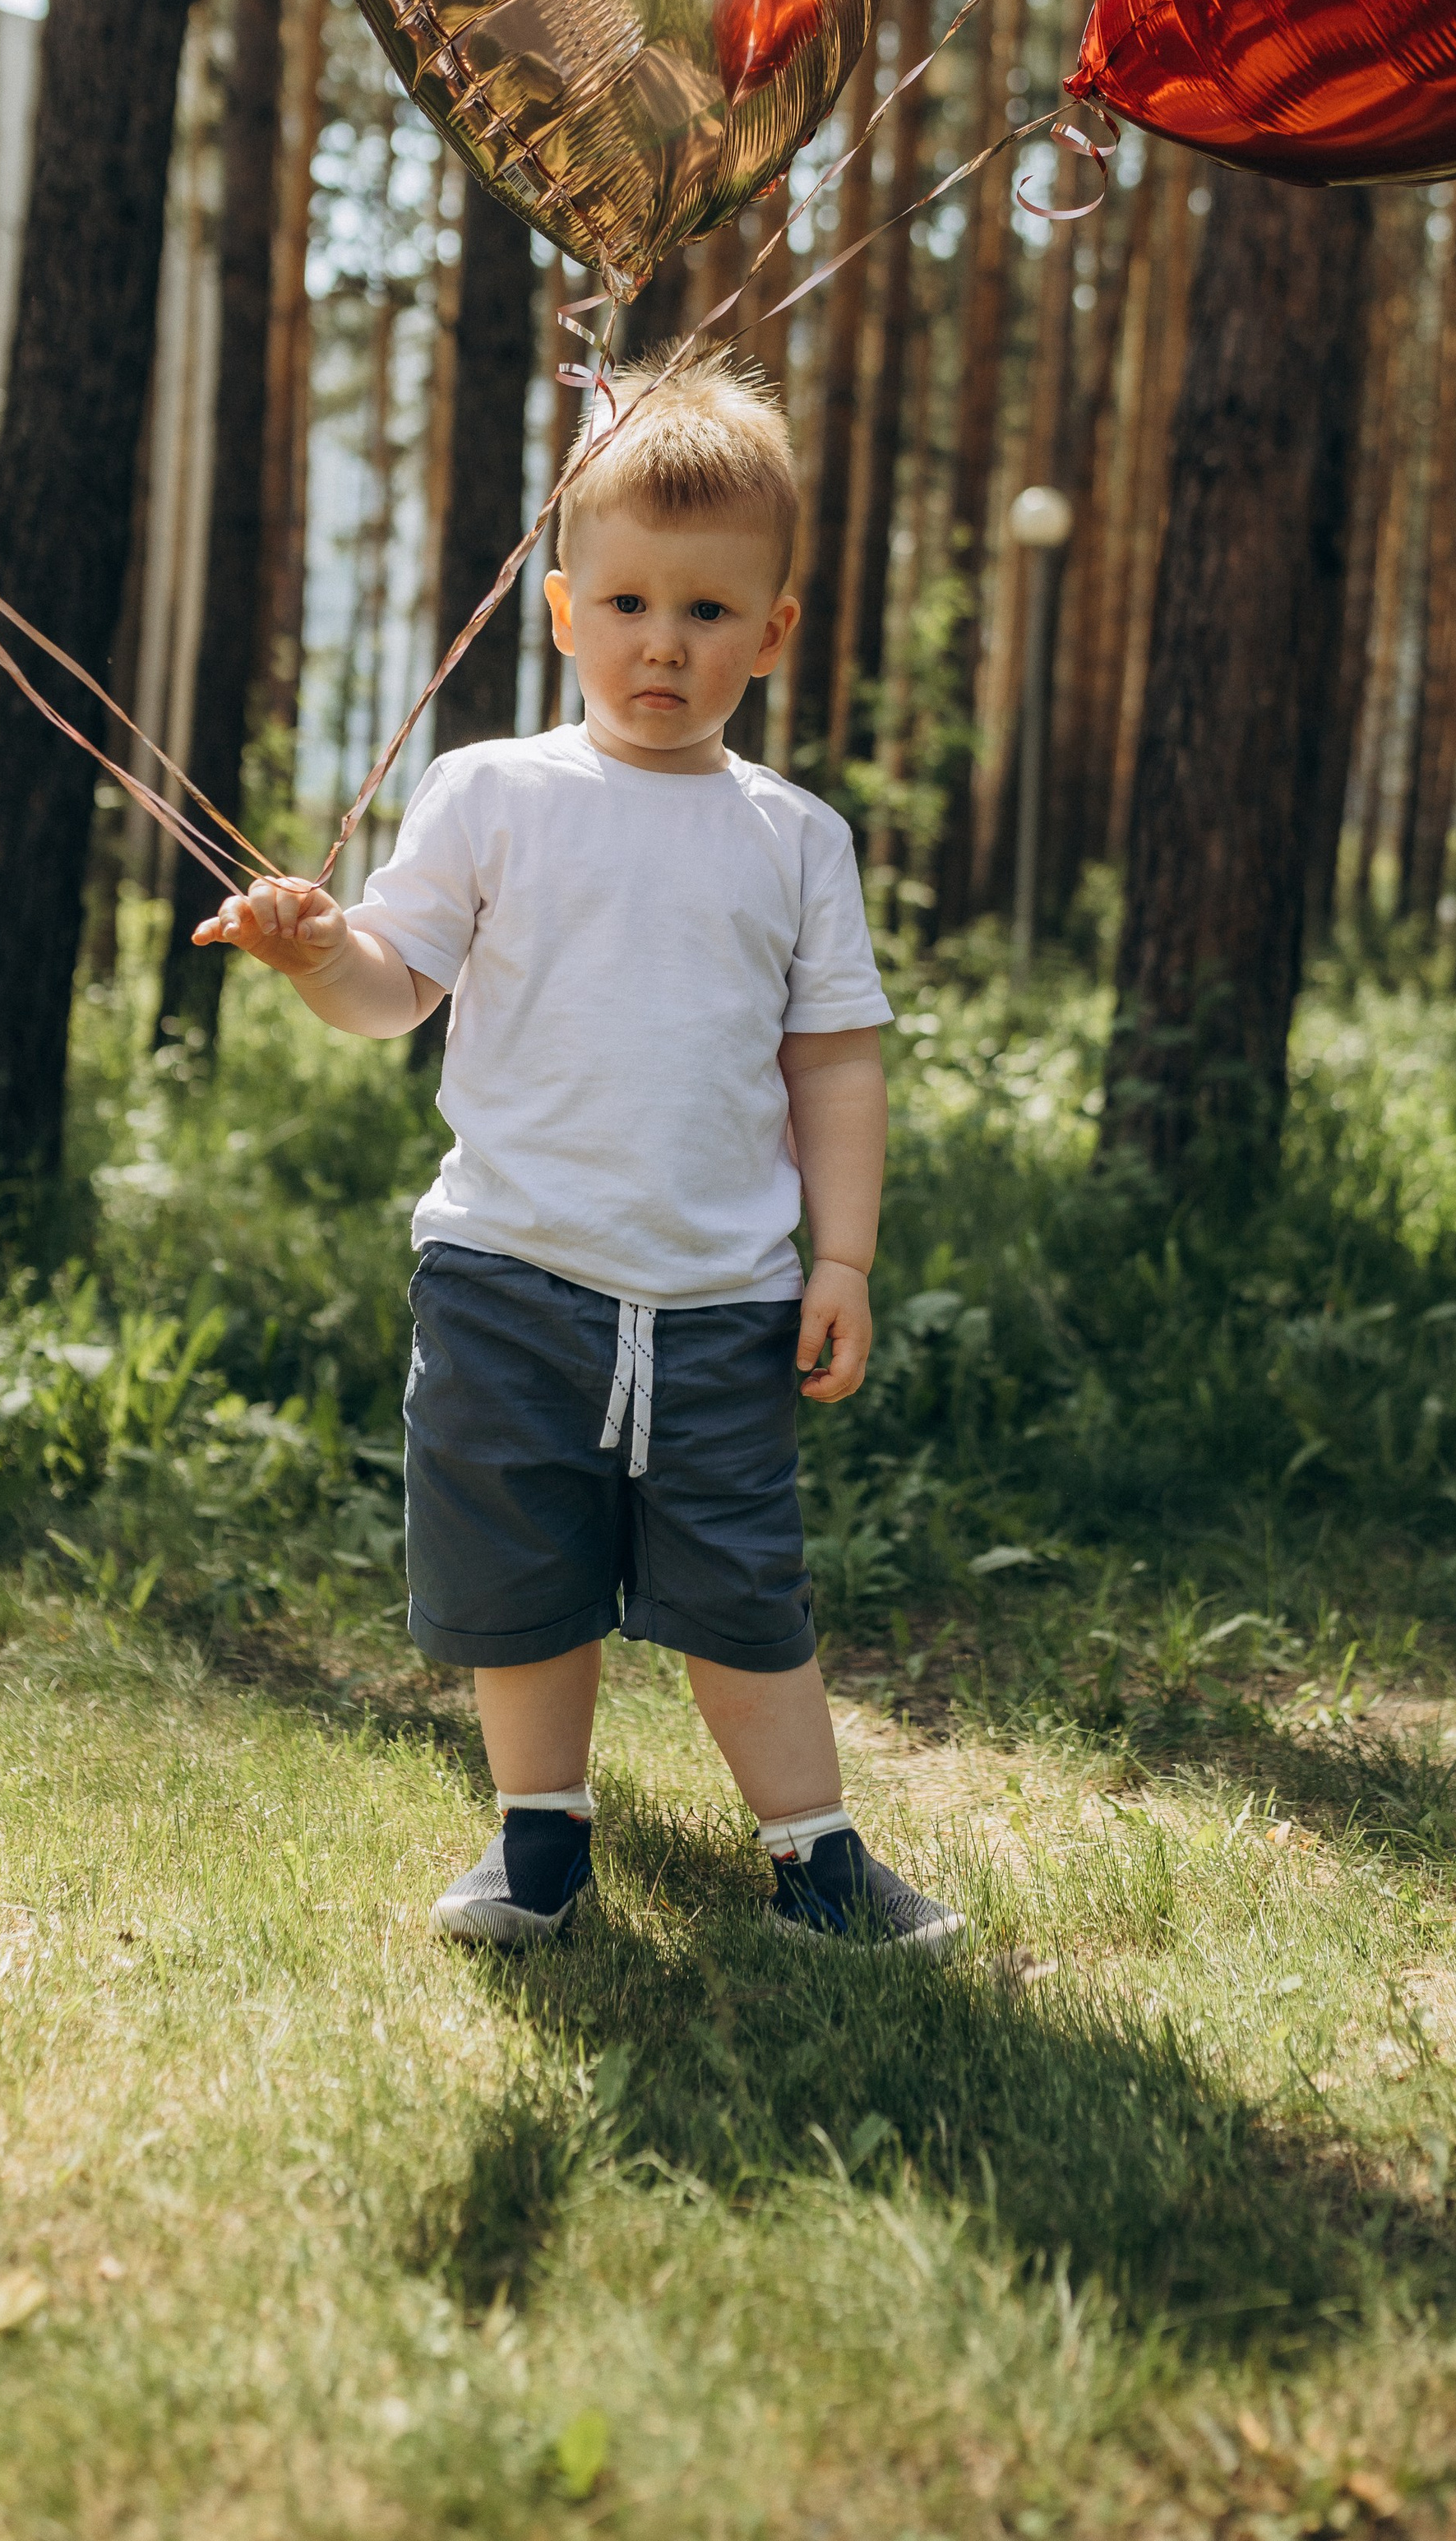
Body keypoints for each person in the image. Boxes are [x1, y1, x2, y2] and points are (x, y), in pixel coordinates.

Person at [193, 348, 960, 1954]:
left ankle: (816, 1860)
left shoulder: (793, 838)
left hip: (722, 1298)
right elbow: (392, 992)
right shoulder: (492, 795)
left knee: (745, 1590)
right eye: (625, 603)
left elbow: (834, 1061)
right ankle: (538, 1841)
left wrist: (841, 1258)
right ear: (560, 611)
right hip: (508, 1278)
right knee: (521, 1580)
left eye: (705, 609)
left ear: (771, 632)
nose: (661, 642)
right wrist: (317, 953)